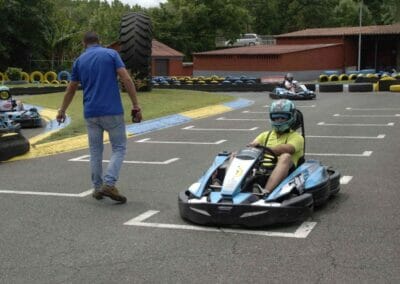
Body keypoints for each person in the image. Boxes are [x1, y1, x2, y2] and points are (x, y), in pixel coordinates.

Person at [56, 31, 142, 204]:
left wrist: (62, 110)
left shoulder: (79, 61)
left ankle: (97, 187)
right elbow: (126, 78)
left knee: (95, 151)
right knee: (119, 148)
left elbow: (71, 88)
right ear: (99, 41)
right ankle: (109, 183)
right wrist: (135, 105)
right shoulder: (111, 54)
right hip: (112, 111)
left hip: (91, 113)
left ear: (84, 44)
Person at [248, 99, 304, 196]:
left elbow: (287, 149)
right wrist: (251, 148)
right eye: (276, 117)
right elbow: (253, 146)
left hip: (286, 172)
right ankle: (227, 187)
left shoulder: (297, 137)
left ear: (291, 117)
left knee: (285, 156)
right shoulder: (264, 135)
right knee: (236, 154)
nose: (279, 120)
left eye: (283, 117)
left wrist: (263, 150)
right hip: (261, 169)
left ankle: (266, 192)